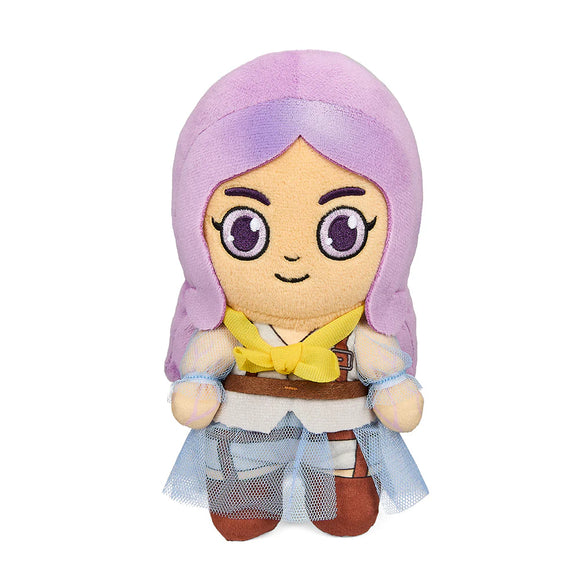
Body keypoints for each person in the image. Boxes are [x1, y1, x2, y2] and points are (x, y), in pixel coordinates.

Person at [164, 50, 428, 541]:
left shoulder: (358, 333)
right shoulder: (229, 329)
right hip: (245, 430)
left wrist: (394, 386)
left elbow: (384, 370)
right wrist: (197, 380)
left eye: (342, 231)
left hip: (338, 428)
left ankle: (340, 495)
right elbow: (205, 361)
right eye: (245, 230)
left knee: (350, 508)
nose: (291, 257)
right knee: (240, 505)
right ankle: (248, 499)